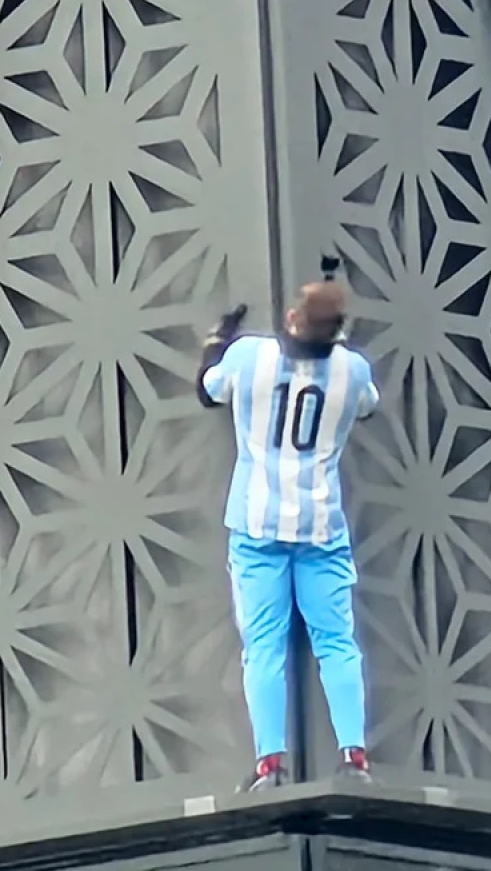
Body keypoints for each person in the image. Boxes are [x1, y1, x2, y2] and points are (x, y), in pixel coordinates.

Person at [196, 266, 378, 792]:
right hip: (321, 524)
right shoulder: (353, 372)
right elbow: (366, 408)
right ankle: (354, 757)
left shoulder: (250, 357)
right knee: (337, 643)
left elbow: (208, 389)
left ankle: (270, 765)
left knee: (264, 646)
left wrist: (217, 340)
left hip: (256, 524)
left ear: (293, 318)